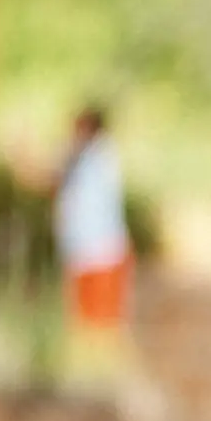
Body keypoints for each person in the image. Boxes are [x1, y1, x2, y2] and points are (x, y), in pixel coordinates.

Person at [53, 106, 134, 335]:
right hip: (83, 248)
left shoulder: (99, 156)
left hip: (101, 248)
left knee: (102, 322)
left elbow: (54, 181)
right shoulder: (82, 156)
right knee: (84, 321)